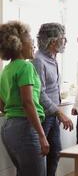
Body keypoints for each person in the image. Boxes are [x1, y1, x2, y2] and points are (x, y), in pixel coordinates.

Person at [0, 21, 49, 176]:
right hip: (25, 128)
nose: (34, 44)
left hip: (9, 128)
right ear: (19, 44)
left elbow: (2, 103)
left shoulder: (7, 69)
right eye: (31, 40)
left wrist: (12, 113)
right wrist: (42, 136)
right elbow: (28, 103)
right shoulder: (26, 67)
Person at [33, 23, 74, 176]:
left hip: (53, 115)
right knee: (40, 156)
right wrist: (59, 113)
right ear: (53, 41)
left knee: (55, 152)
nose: (65, 42)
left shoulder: (52, 58)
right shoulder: (38, 60)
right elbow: (40, 93)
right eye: (63, 38)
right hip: (44, 116)